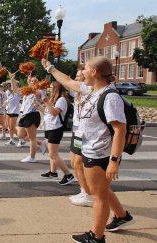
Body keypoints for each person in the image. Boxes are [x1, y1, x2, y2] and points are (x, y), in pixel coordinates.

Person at [42, 57, 136, 243]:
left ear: (94, 73)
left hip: (100, 153)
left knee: (98, 196)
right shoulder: (92, 89)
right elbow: (68, 82)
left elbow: (120, 130)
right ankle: (123, 216)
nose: (82, 72)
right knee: (100, 189)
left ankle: (96, 237)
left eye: (85, 69)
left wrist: (114, 161)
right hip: (89, 148)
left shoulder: (110, 97)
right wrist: (50, 68)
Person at [34, 82, 75, 185]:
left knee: (53, 154)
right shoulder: (53, 100)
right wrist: (38, 106)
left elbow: (54, 112)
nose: (49, 89)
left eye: (51, 87)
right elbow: (47, 113)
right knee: (51, 153)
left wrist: (47, 102)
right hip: (49, 127)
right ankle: (53, 172)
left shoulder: (61, 100)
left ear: (56, 89)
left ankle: (68, 175)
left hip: (56, 128)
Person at [69, 69, 94, 206]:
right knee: (74, 163)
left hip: (82, 133)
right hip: (76, 132)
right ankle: (83, 190)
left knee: (78, 164)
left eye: (78, 76)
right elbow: (67, 83)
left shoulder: (88, 91)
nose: (75, 79)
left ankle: (88, 194)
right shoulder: (77, 93)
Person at [9, 74, 47, 163]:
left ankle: (32, 157)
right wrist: (12, 79)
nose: (33, 82)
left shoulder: (40, 91)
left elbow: (37, 94)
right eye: (32, 80)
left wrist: (32, 85)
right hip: (24, 115)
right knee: (20, 135)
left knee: (31, 137)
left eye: (35, 81)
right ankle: (41, 143)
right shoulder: (27, 91)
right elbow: (15, 90)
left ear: (39, 82)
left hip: (33, 114)